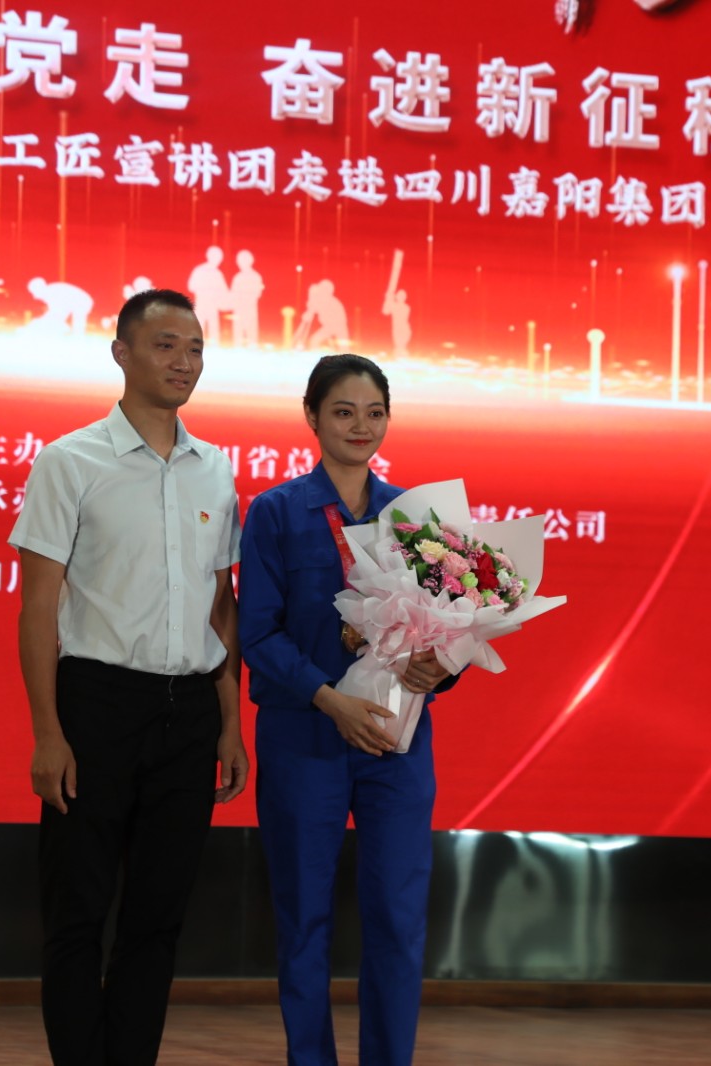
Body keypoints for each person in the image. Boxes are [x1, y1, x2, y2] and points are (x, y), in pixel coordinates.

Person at [9, 288, 249, 1066]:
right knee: (77, 912)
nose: (184, 362)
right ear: (122, 353)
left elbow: (221, 608)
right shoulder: (69, 460)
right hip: (96, 707)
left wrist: (230, 724)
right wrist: (49, 732)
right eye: (165, 345)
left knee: (158, 918)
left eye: (195, 348)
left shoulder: (216, 470)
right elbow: (37, 608)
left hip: (189, 714)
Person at [238, 354, 457, 1066]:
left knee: (397, 917)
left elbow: (446, 626)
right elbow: (257, 634)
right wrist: (329, 699)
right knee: (304, 917)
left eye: (374, 413)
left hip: (395, 741)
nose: (360, 426)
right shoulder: (275, 512)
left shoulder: (414, 519)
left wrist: (439, 666)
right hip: (306, 737)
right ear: (311, 417)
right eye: (342, 411)